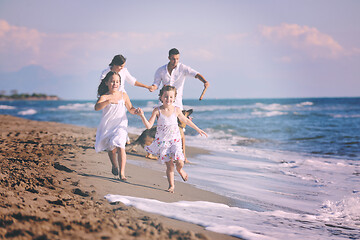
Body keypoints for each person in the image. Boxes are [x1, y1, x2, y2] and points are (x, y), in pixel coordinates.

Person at [137, 85, 207, 193]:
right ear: (161, 97)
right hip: (163, 143)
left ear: (174, 98)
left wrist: (198, 129)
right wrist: (142, 115)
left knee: (180, 161)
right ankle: (171, 186)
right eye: (165, 96)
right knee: (169, 165)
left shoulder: (176, 110)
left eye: (171, 97)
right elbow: (149, 126)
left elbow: (186, 121)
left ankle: (180, 170)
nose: (168, 99)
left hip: (175, 141)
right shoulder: (157, 110)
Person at [149, 48, 210, 163]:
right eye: (173, 59)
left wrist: (204, 81)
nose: (175, 61)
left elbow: (195, 74)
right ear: (169, 58)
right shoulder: (161, 70)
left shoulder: (183, 68)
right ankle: (162, 152)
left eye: (177, 59)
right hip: (164, 103)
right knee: (162, 128)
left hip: (177, 105)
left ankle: (182, 155)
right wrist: (153, 87)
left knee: (180, 130)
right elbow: (156, 83)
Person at [94, 71, 139, 181]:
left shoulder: (123, 95)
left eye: (117, 82)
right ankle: (115, 165)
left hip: (121, 125)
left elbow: (130, 109)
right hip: (108, 126)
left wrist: (136, 111)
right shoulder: (105, 97)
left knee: (120, 145)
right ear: (107, 83)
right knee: (111, 149)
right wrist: (108, 101)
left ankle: (122, 173)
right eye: (112, 81)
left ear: (120, 83)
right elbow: (97, 107)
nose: (115, 84)